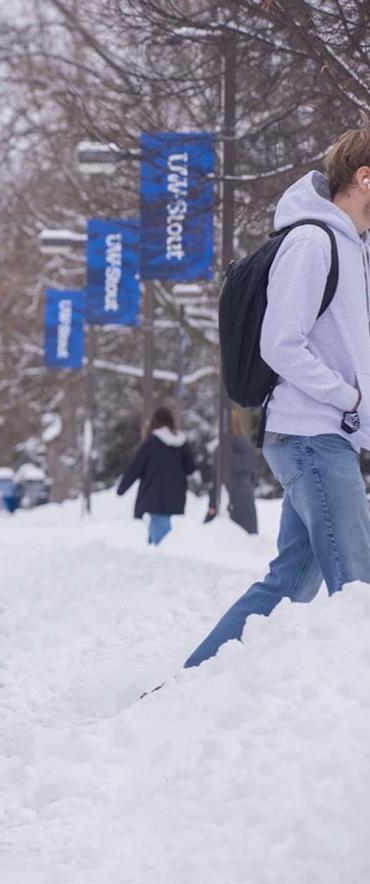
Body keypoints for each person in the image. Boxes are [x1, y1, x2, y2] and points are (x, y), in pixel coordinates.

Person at [185, 126, 370, 669]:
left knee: (289, 583)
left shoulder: (351, 247)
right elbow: (280, 344)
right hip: (311, 434)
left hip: (322, 435)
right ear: (365, 178)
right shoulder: (313, 243)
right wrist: (347, 397)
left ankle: (194, 687)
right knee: (358, 589)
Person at [116, 407, 196, 546]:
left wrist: (122, 489)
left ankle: (159, 559)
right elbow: (190, 469)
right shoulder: (182, 443)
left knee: (159, 536)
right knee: (164, 531)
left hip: (154, 495)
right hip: (176, 496)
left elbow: (135, 468)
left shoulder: (151, 443)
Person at [226, 407, 259, 536]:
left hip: (231, 493)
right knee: (247, 537)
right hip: (246, 492)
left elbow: (217, 474)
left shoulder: (225, 447)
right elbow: (252, 471)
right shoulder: (246, 445)